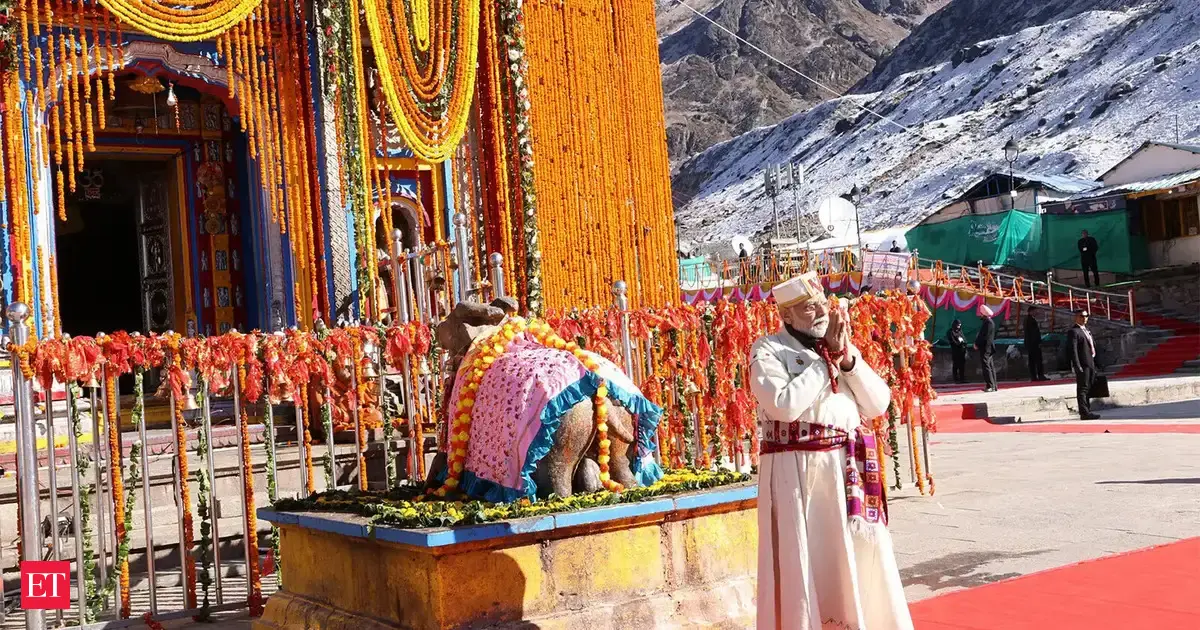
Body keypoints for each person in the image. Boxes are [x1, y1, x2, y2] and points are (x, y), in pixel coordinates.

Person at [750, 271, 913, 630]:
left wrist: (847, 361)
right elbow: (784, 405)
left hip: (845, 471)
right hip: (798, 475)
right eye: (810, 307)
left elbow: (878, 403)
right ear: (787, 315)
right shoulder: (767, 350)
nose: (822, 312)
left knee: (855, 560)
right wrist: (827, 363)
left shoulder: (838, 346)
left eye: (823, 303)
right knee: (806, 560)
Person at [1067, 309, 1101, 419]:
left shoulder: (1087, 330)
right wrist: (1077, 365)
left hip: (1090, 362)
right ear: (1076, 317)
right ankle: (1084, 412)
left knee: (1089, 387)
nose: (1084, 318)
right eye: (1081, 316)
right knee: (1083, 388)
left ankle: (1087, 410)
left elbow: (1092, 346)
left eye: (1086, 316)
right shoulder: (1074, 331)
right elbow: (1073, 350)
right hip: (1083, 364)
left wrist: (1097, 363)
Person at [975, 304, 997, 392]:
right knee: (990, 366)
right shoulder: (989, 322)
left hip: (986, 348)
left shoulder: (988, 323)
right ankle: (994, 385)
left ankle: (990, 385)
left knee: (986, 366)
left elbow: (983, 336)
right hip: (988, 347)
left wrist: (977, 344)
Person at [1024, 307, 1048, 381]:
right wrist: (1038, 342)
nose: (1036, 312)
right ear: (1031, 311)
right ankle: (1040, 375)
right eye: (1035, 311)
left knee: (1032, 361)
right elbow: (1034, 333)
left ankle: (1034, 376)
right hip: (1034, 344)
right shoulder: (1031, 320)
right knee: (1037, 360)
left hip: (1030, 343)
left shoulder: (1027, 319)